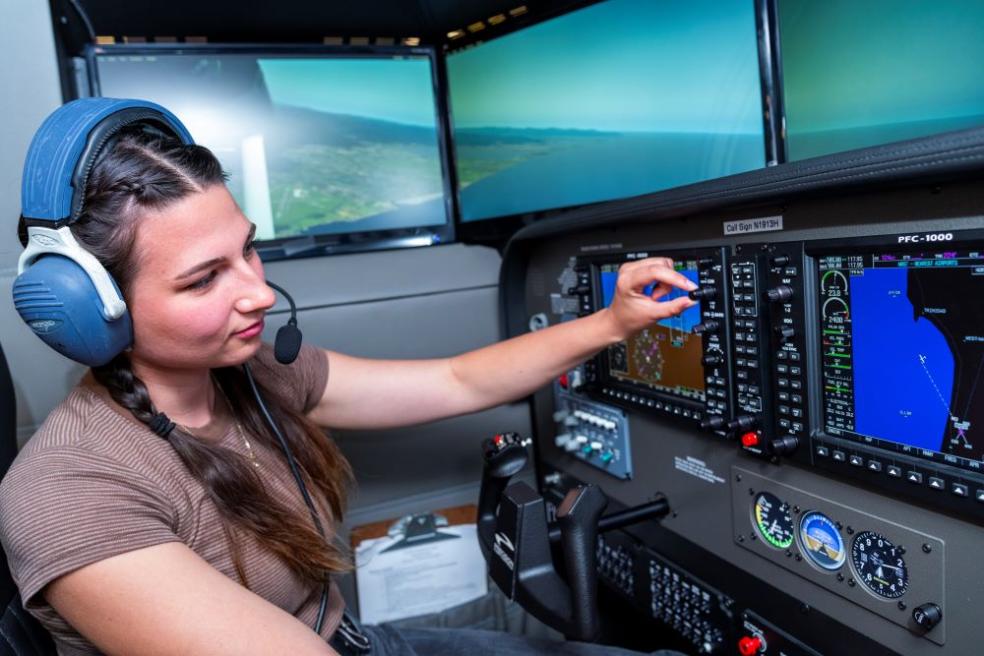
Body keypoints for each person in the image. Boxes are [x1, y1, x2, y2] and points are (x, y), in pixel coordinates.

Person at [0, 99, 696, 655]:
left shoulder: (258, 375)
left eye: (248, 252)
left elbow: (456, 381)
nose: (260, 294)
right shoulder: (68, 492)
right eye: (206, 278)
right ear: (95, 311)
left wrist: (611, 323)